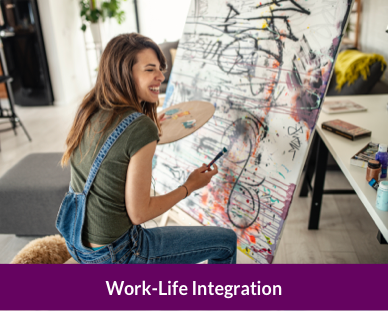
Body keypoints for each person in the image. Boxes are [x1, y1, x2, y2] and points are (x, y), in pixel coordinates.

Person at [57, 33, 237, 264]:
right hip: (118, 254)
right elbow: (140, 213)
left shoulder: (90, 108)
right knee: (226, 242)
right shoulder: (140, 127)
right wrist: (189, 186)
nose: (161, 76)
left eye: (160, 69)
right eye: (150, 69)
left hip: (78, 245)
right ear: (124, 73)